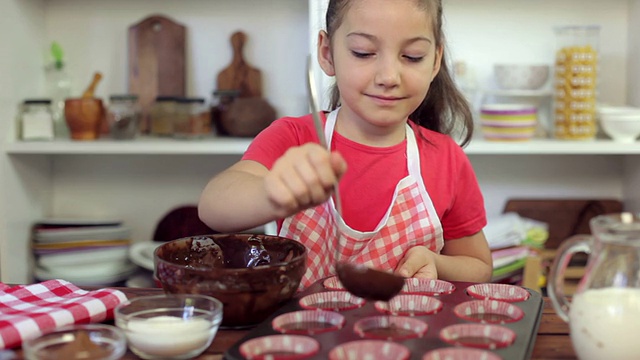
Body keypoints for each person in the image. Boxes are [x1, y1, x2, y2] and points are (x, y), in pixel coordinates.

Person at [198, 0, 492, 289]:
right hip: (305, 333)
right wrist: (271, 192)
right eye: (363, 53)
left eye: (413, 56)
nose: (389, 77)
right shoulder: (294, 137)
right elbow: (212, 208)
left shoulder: (445, 158)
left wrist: (436, 263)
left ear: (435, 60)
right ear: (327, 53)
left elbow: (478, 267)